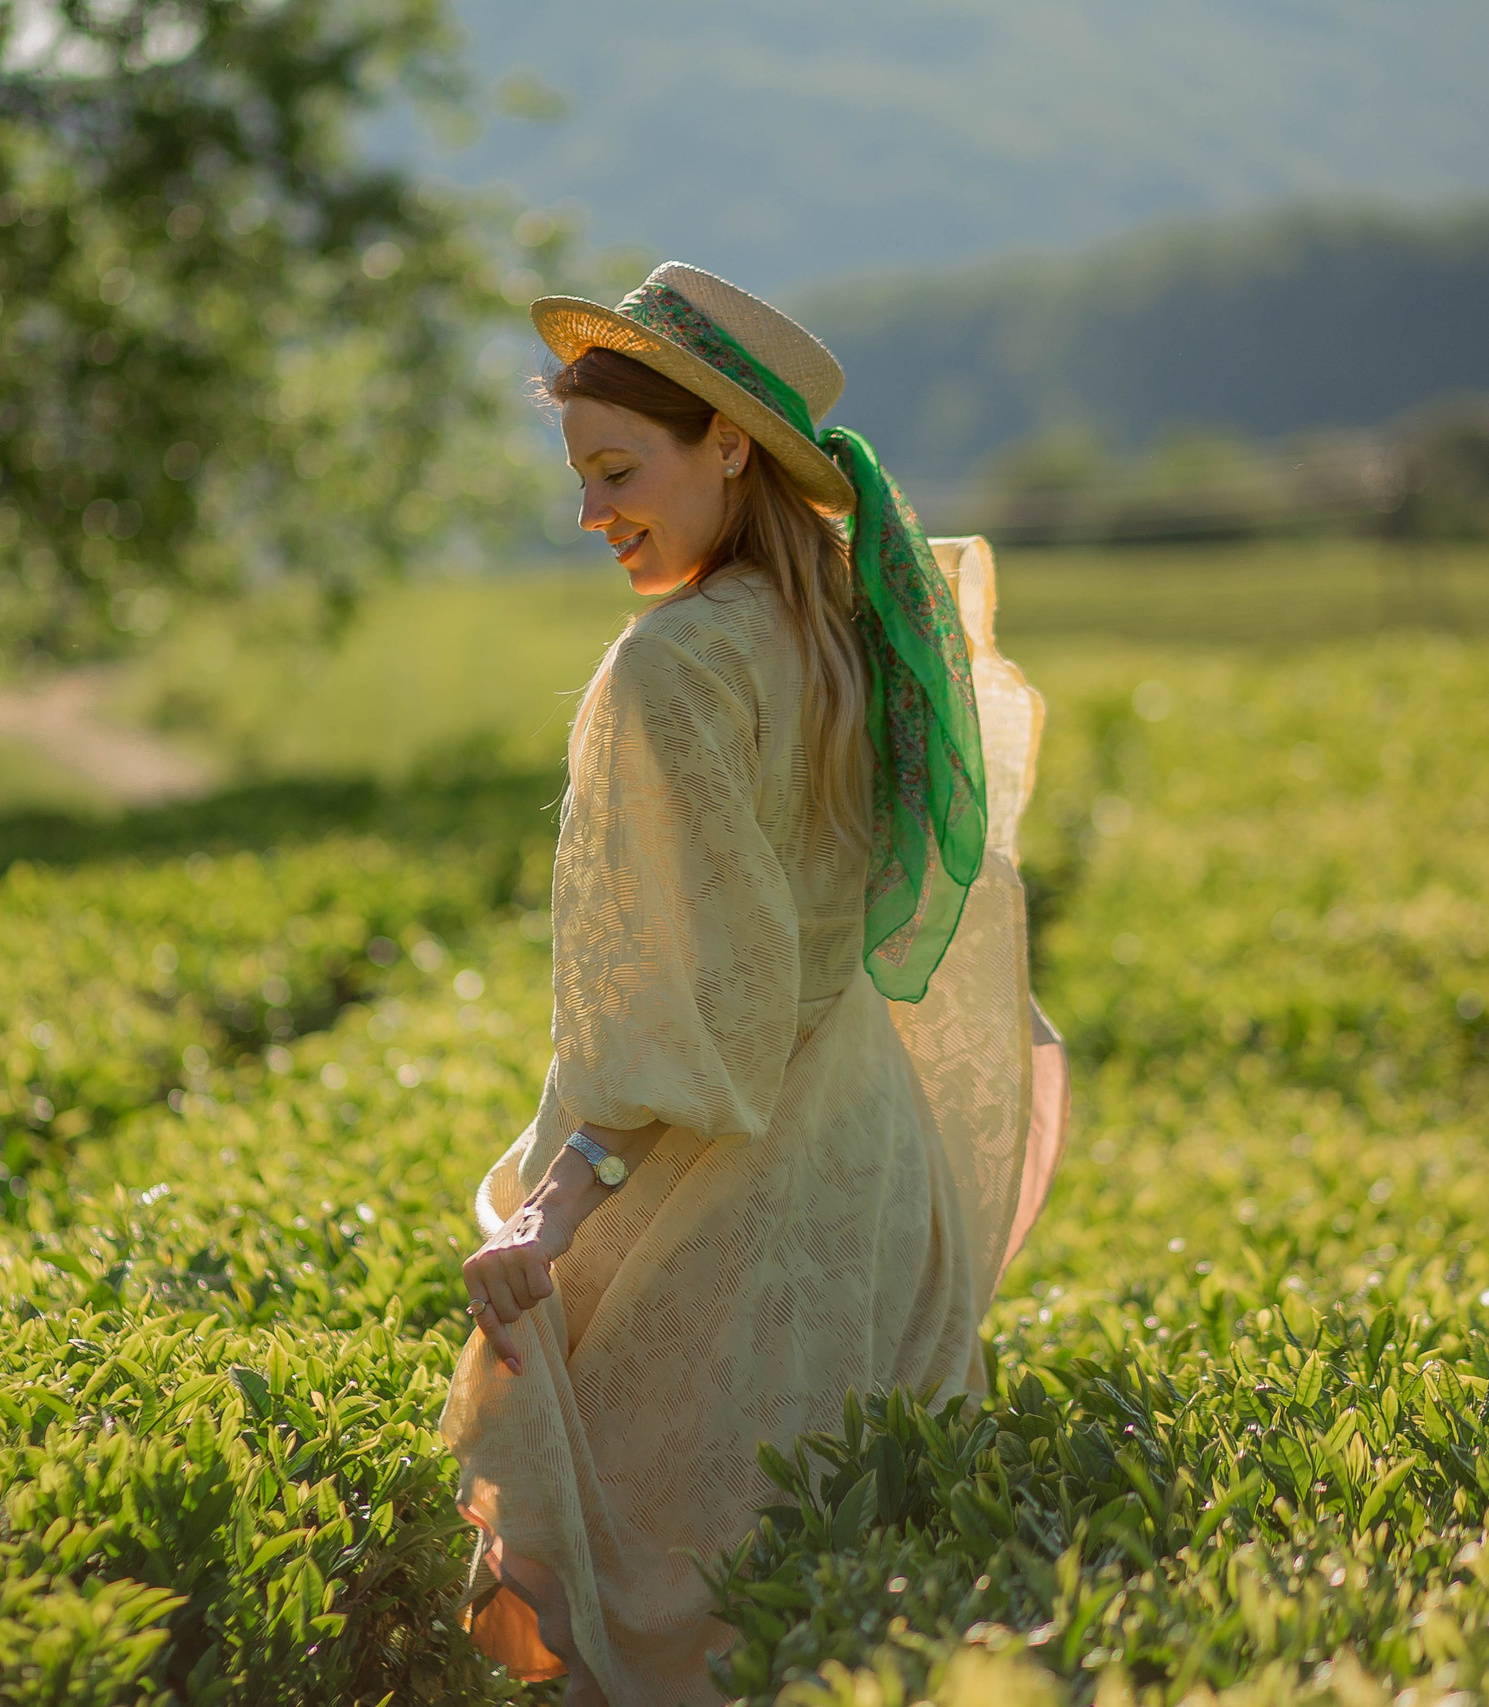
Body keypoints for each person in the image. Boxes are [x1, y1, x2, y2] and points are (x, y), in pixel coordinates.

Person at [438, 262, 1068, 1706]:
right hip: (872, 1189)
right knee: (859, 1625)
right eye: (582, 477)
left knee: (669, 1637)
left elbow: (687, 1009)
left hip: (715, 1233)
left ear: (728, 444)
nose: (594, 514)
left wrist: (558, 1204)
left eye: (616, 469)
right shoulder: (854, 635)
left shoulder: (669, 673)